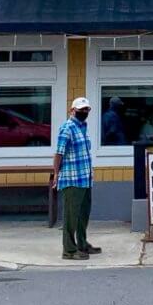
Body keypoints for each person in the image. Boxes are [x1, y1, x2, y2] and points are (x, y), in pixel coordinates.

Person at [52, 97, 100, 260]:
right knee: (71, 216)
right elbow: (59, 153)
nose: (84, 112)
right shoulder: (67, 128)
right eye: (81, 109)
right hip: (72, 179)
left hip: (84, 178)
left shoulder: (82, 127)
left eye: (86, 109)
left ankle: (82, 244)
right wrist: (56, 174)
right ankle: (69, 250)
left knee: (83, 214)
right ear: (72, 110)